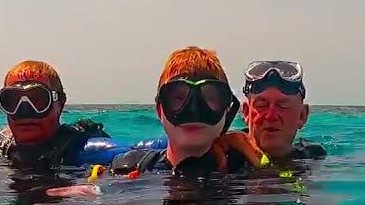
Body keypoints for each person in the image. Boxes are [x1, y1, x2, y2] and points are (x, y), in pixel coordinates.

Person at [106, 47, 267, 177]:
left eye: (209, 97)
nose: (194, 109)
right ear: (160, 110)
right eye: (178, 97)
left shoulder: (250, 171)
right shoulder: (129, 169)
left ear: (227, 110)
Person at [135, 59, 325, 168]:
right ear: (246, 113)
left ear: (302, 116)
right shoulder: (225, 158)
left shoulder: (313, 156)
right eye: (262, 105)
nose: (271, 116)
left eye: (282, 106)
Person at [0, 60, 130, 169]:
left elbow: (133, 153)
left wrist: (134, 161)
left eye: (38, 100)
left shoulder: (82, 150)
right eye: (12, 101)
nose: (25, 112)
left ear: (60, 103)